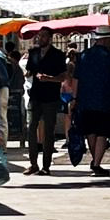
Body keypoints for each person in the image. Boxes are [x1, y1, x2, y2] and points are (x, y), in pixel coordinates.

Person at [72, 31, 110, 175]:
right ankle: (96, 163)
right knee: (102, 132)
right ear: (106, 39)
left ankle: (95, 160)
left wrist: (74, 99)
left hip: (85, 101)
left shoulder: (83, 56)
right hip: (105, 100)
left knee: (90, 131)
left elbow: (76, 79)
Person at [24, 30, 67, 174]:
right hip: (35, 95)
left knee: (49, 131)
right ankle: (33, 163)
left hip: (50, 97)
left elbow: (62, 77)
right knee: (31, 128)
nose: (40, 38)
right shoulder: (33, 53)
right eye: (39, 36)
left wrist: (48, 78)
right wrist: (28, 73)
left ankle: (46, 166)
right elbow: (30, 70)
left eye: (43, 36)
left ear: (49, 38)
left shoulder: (58, 55)